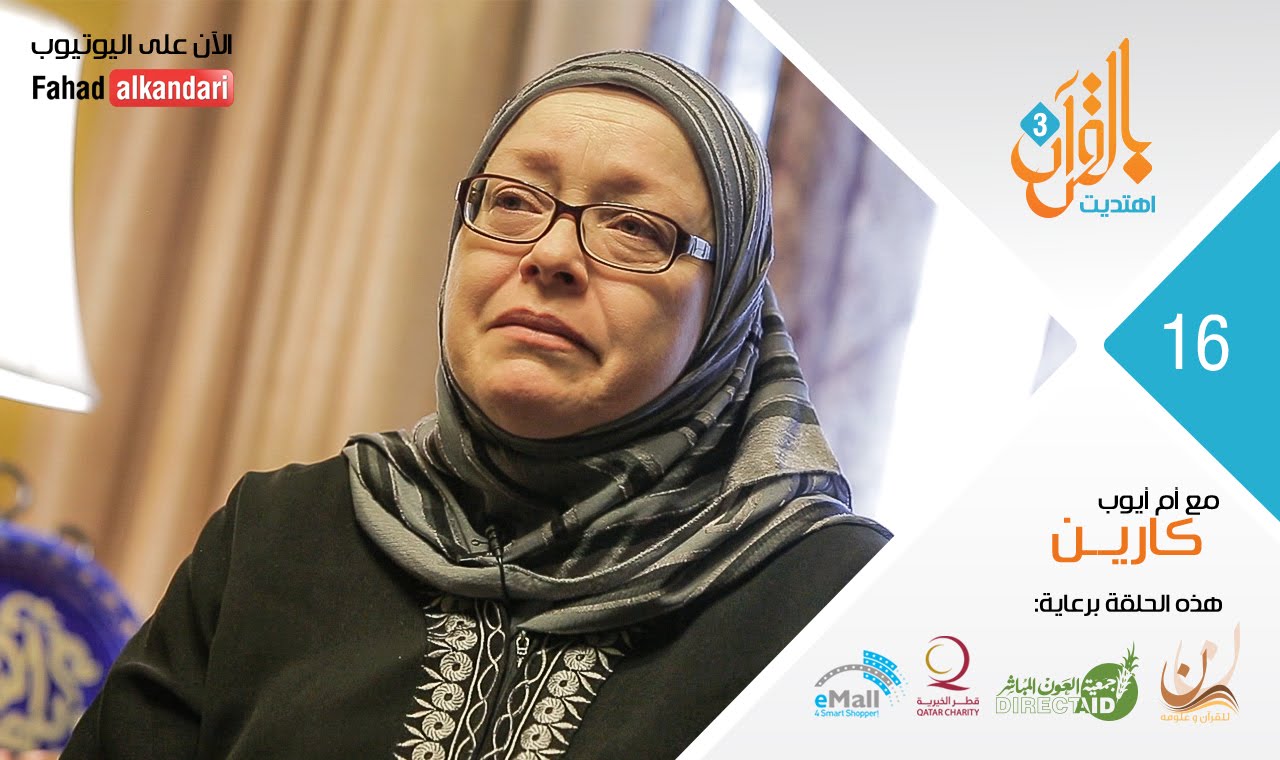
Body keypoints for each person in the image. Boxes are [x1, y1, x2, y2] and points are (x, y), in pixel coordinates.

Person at [59, 50, 890, 759]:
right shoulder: (279, 532)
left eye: (633, 226)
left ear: (729, 305)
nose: (551, 255)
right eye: (513, 202)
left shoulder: (835, 602)